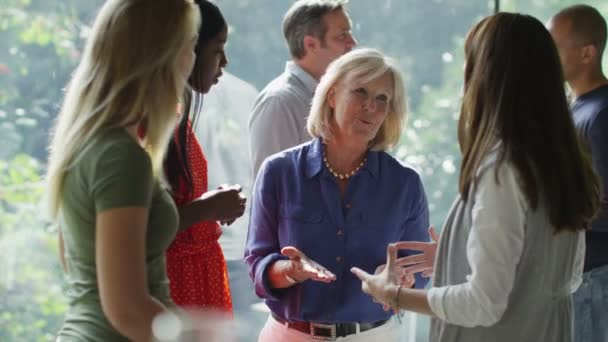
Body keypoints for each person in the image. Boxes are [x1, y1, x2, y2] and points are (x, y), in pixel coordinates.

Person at [351, 13, 602, 342]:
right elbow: (562, 276)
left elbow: (482, 304)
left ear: (485, 77)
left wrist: (392, 295)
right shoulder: (561, 163)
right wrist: (459, 255)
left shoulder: (503, 169)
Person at [245, 48, 430, 341]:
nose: (371, 106)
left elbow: (418, 272)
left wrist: (400, 279)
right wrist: (292, 270)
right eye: (360, 91)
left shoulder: (405, 184)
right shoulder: (279, 172)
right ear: (331, 96)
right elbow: (258, 263)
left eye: (382, 99)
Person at [44, 0, 200, 340]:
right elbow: (128, 309)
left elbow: (78, 269)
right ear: (163, 56)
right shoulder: (120, 157)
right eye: (191, 45)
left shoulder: (93, 144)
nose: (193, 60)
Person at [164, 0, 246, 315]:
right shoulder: (151, 128)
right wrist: (207, 209)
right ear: (186, 51)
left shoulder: (177, 118)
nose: (224, 61)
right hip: (176, 289)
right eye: (217, 49)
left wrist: (210, 205)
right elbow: (141, 231)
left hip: (197, 282)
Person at [547, 6, 608, 342]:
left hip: (595, 274)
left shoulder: (601, 115)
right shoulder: (576, 108)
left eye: (554, 47)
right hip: (576, 273)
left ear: (587, 52)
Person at [248, 0, 357, 177]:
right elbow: (272, 187)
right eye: (342, 36)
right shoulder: (279, 102)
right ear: (311, 45)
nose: (352, 42)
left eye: (350, 33)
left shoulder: (338, 98)